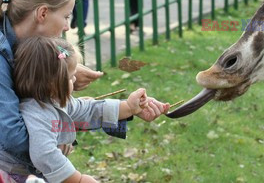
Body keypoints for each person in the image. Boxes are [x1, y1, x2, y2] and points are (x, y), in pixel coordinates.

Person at [0, 0, 161, 181]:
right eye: (66, 16)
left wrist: (128, 108)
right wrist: (54, 140)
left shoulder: (32, 50)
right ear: (43, 13)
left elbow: (71, 109)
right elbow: (14, 135)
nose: (67, 27)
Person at [10, 36, 170, 182]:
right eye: (71, 76)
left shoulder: (53, 101)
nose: (75, 79)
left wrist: (128, 107)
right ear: (53, 83)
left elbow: (88, 110)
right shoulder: (36, 113)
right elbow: (43, 154)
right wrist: (77, 179)